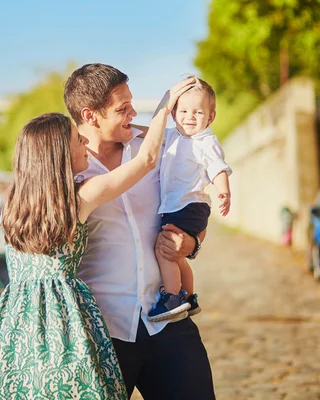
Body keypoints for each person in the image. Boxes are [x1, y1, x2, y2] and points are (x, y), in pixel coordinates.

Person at [0, 77, 193, 400]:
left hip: (19, 323)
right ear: (58, 155)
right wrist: (164, 107)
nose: (83, 143)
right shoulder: (81, 197)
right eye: (76, 140)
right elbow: (146, 160)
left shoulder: (13, 206)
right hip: (68, 321)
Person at [64, 63, 216, 399]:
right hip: (103, 331)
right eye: (122, 108)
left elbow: (194, 204)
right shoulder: (66, 170)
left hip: (167, 318)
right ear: (90, 115)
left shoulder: (159, 145)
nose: (133, 112)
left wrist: (190, 242)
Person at [148, 77, 232, 322]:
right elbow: (148, 131)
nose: (190, 117)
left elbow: (217, 167)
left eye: (198, 112)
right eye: (183, 111)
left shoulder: (205, 140)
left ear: (211, 117)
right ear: (173, 114)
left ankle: (172, 298)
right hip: (183, 207)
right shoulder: (172, 136)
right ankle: (190, 296)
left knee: (165, 252)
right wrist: (165, 104)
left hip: (188, 206)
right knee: (178, 256)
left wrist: (223, 190)